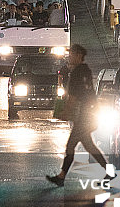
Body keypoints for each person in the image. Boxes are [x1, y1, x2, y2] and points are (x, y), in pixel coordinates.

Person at [46, 44, 109, 187]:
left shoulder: (76, 73)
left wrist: (65, 112)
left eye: (72, 54)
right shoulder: (86, 70)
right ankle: (108, 172)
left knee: (71, 146)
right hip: (90, 114)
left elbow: (73, 97)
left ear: (79, 55)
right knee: (89, 146)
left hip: (82, 116)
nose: (69, 57)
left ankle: (61, 176)